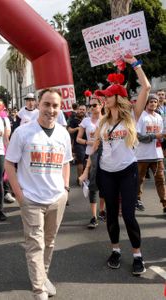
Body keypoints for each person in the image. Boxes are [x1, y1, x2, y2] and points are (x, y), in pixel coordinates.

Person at [5, 88, 72, 300]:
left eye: (55, 106)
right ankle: (39, 290)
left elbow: (66, 163)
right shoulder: (23, 132)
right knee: (36, 245)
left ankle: (43, 277)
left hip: (56, 199)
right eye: (47, 104)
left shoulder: (63, 133)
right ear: (38, 105)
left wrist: (66, 190)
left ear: (59, 109)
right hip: (31, 200)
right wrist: (20, 196)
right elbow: (9, 163)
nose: (50, 110)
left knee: (50, 242)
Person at [94, 55, 151, 275]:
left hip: (128, 172)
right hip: (107, 173)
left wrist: (134, 64)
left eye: (108, 96)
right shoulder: (102, 121)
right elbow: (96, 147)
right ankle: (115, 250)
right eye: (104, 97)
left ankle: (137, 254)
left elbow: (145, 86)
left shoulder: (132, 117)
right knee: (110, 215)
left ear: (119, 97)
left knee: (128, 215)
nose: (104, 99)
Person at [135, 93, 166, 213]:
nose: (153, 103)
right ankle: (137, 199)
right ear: (146, 103)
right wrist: (155, 136)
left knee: (161, 180)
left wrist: (162, 137)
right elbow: (138, 136)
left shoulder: (158, 117)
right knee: (139, 180)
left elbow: (161, 135)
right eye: (151, 101)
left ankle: (164, 204)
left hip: (157, 155)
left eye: (155, 101)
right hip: (142, 156)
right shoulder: (141, 117)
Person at [77, 97, 105, 228]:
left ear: (101, 105)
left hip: (105, 155)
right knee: (92, 186)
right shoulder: (85, 121)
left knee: (105, 185)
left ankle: (102, 211)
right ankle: (94, 217)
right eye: (91, 105)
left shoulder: (106, 120)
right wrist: (89, 142)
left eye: (95, 105)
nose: (92, 107)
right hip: (90, 154)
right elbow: (78, 139)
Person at [67, 104, 87, 180]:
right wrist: (77, 128)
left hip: (87, 143)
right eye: (80, 109)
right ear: (77, 110)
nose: (81, 111)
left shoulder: (87, 120)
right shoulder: (74, 120)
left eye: (83, 110)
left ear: (86, 111)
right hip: (78, 144)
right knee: (80, 161)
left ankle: (85, 178)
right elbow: (69, 130)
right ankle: (79, 179)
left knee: (87, 161)